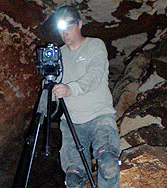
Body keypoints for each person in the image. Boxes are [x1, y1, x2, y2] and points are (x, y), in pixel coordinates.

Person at [51, 5, 121, 188]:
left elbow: (95, 76)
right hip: (71, 122)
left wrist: (70, 89)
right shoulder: (59, 55)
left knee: (108, 163)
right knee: (74, 179)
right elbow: (53, 94)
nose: (64, 32)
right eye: (61, 28)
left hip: (99, 116)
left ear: (80, 24)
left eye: (69, 26)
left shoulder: (94, 45)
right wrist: (49, 84)